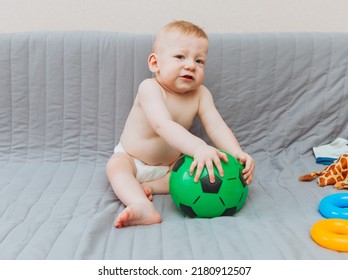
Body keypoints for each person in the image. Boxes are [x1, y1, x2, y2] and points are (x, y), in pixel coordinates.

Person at [106, 20, 255, 228]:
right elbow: (162, 125)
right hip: (133, 159)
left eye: (200, 61)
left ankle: (149, 186)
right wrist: (199, 147)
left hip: (171, 167)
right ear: (155, 63)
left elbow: (216, 126)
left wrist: (237, 152)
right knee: (115, 166)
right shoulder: (150, 88)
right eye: (180, 57)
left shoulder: (201, 94)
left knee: (191, 174)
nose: (190, 65)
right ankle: (141, 205)